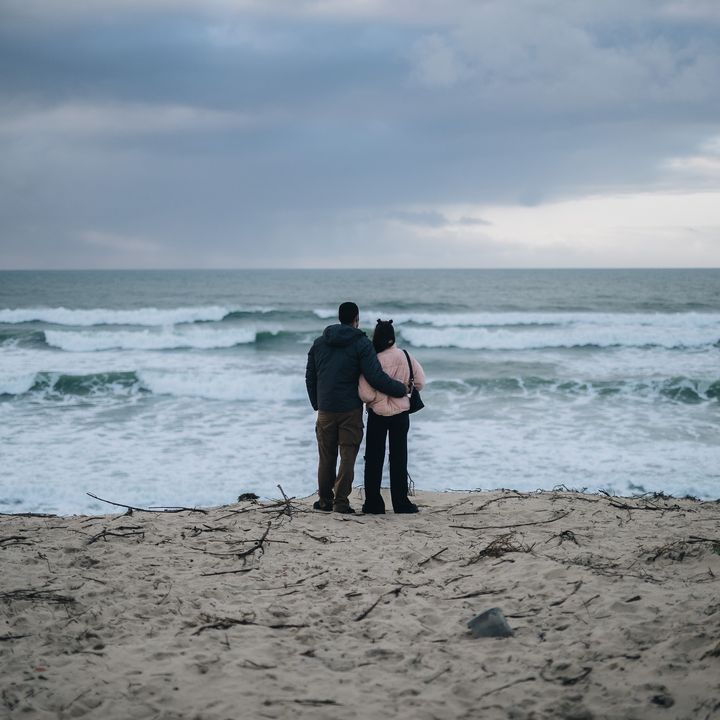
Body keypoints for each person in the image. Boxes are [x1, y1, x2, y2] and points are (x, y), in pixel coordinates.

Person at [305, 302, 407, 514]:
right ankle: (341, 502)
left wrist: (317, 403)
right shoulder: (361, 343)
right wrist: (400, 389)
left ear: (339, 317)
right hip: (350, 409)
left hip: (325, 409)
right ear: (356, 318)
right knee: (348, 455)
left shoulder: (319, 343)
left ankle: (324, 501)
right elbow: (375, 376)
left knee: (326, 456)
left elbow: (310, 377)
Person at [358, 319, 425, 514]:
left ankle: (373, 504)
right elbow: (420, 383)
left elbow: (365, 394)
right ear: (393, 337)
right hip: (401, 414)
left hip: (377, 414)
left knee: (373, 458)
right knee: (399, 457)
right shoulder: (406, 355)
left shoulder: (373, 360)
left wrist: (378, 396)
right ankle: (401, 503)